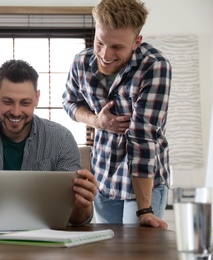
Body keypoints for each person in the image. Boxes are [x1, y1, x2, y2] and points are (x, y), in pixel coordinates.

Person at [62, 0, 171, 229]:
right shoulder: (81, 63)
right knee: (110, 251)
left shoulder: (155, 66)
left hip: (144, 183)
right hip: (104, 178)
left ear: (136, 42)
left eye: (117, 47)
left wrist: (144, 210)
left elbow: (143, 137)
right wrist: (97, 121)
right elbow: (70, 103)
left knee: (137, 252)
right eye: (100, 42)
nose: (105, 54)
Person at [0, 59, 97, 226]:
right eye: (7, 102)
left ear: (37, 98)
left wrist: (81, 205)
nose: (15, 112)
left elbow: (79, 218)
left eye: (25, 103)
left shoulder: (61, 138)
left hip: (46, 244)